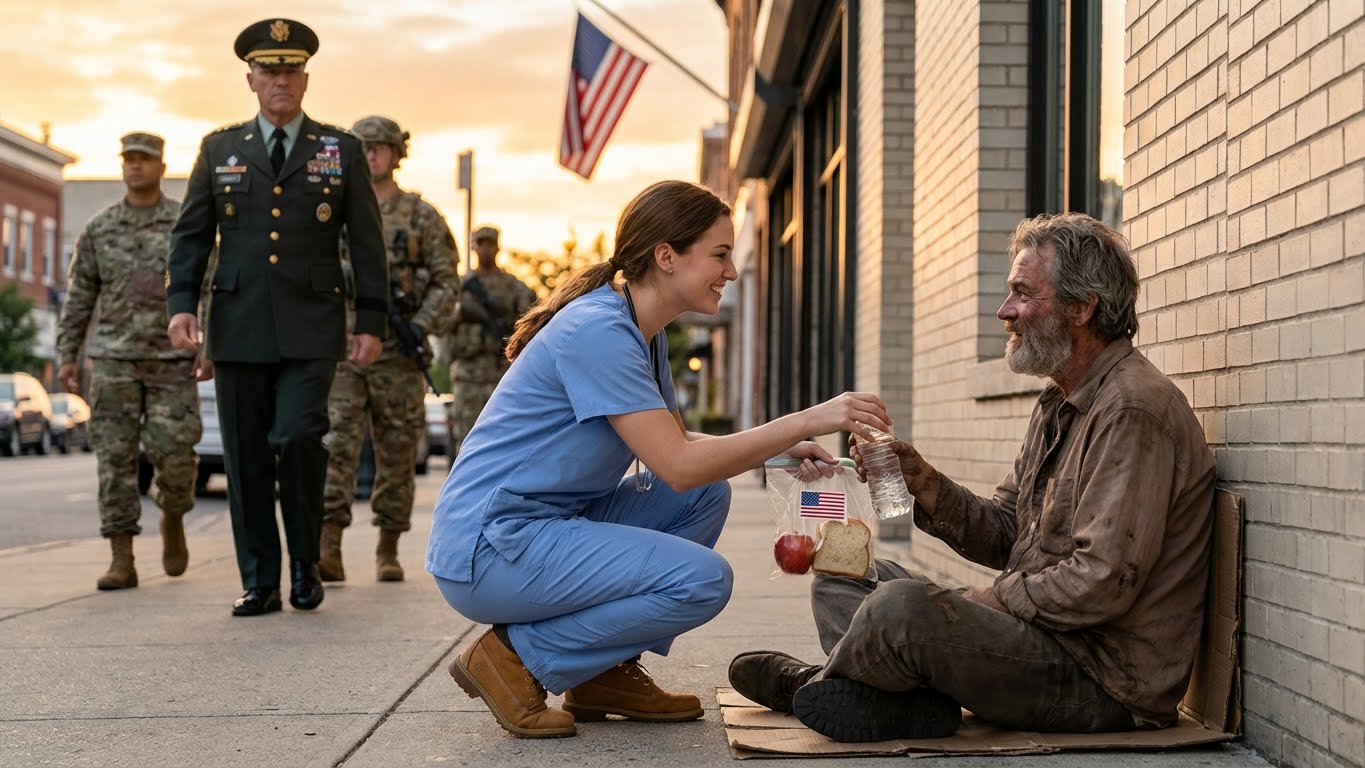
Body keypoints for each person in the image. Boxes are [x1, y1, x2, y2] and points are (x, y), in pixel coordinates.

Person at [426, 180, 893, 739]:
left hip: (539, 528)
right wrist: (809, 419)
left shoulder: (642, 332)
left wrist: (779, 444)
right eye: (719, 255)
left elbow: (671, 442)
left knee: (704, 495)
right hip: (489, 546)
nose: (731, 270)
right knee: (701, 581)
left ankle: (600, 672)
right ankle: (511, 658)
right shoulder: (598, 330)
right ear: (666, 257)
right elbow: (676, 461)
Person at [727, 212, 1217, 744]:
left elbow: (1101, 583)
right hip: (1041, 637)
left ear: (1081, 308)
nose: (1005, 312)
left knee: (900, 607)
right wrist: (923, 482)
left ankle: (815, 685)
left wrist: (984, 600)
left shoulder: (1132, 410)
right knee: (848, 575)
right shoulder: (1061, 400)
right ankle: (904, 704)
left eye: (1023, 295)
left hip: (1100, 679)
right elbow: (1008, 532)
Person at [166, 18, 388, 617]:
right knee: (244, 455)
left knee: (298, 438)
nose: (280, 81)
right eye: (269, 71)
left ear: (306, 78)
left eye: (290, 70)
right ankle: (260, 579)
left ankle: (305, 562)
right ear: (251, 79)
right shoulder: (221, 148)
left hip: (312, 324)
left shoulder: (338, 149)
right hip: (237, 325)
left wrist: (371, 319)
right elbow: (191, 235)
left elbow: (367, 244)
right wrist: (181, 305)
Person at [56, 132, 206, 592]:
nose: (135, 167)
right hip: (114, 361)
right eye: (129, 160)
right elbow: (80, 295)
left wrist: (210, 345)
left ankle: (174, 514)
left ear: (162, 167)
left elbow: (212, 285)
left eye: (145, 161)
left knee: (177, 459)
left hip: (171, 362)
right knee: (115, 462)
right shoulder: (101, 228)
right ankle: (122, 558)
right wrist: (68, 353)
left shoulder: (185, 222)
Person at [318, 115, 459, 584]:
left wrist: (419, 327)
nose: (373, 154)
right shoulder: (330, 208)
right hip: (340, 348)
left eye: (382, 147)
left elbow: (445, 281)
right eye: (364, 147)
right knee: (334, 443)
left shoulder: (421, 216)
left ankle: (388, 546)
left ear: (398, 154)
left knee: (397, 451)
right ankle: (328, 544)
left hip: (398, 353)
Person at [446, 224, 535, 456]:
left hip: (500, 372)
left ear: (497, 248)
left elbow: (530, 319)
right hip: (467, 373)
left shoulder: (512, 286)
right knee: (465, 437)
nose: (485, 249)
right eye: (480, 244)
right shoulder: (461, 286)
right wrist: (461, 313)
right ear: (474, 247)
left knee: (501, 436)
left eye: (490, 244)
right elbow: (442, 321)